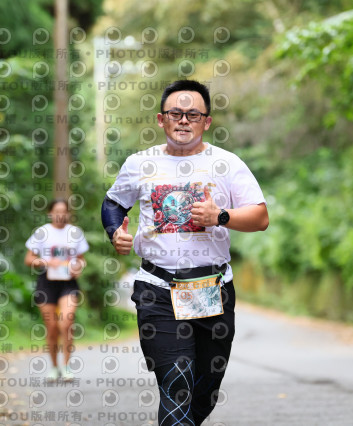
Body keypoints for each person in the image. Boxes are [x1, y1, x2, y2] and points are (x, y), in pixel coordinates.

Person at [101, 80, 268, 425]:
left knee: (204, 392)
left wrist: (220, 216)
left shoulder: (227, 164)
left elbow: (260, 217)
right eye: (175, 113)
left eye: (193, 115)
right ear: (160, 119)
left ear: (207, 122)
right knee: (176, 383)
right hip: (157, 289)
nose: (183, 120)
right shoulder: (139, 163)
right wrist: (115, 232)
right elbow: (113, 203)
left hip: (212, 289)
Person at [24, 199, 89, 381]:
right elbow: (29, 259)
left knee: (66, 323)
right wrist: (45, 261)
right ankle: (54, 367)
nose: (60, 215)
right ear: (50, 213)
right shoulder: (42, 232)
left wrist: (79, 266)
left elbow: (82, 259)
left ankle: (67, 366)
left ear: (68, 214)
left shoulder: (75, 233)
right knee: (52, 327)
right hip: (47, 282)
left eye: (64, 211)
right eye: (57, 211)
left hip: (68, 283)